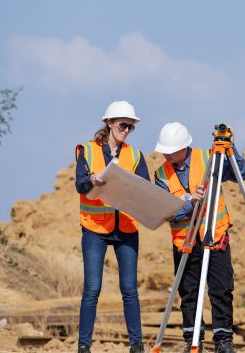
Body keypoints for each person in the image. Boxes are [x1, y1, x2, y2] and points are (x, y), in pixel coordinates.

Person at [153, 122, 245, 353]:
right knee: (189, 293)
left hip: (214, 234)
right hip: (184, 241)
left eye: (170, 149)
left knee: (221, 289)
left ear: (184, 146)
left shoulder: (208, 158)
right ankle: (192, 340)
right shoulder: (161, 174)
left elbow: (239, 175)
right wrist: (190, 202)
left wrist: (230, 149)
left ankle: (223, 340)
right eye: (164, 150)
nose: (166, 154)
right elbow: (166, 213)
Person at [75, 101, 148, 353]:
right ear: (109, 123)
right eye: (122, 125)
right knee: (92, 290)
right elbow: (80, 184)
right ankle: (84, 346)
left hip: (126, 229)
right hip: (95, 228)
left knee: (129, 290)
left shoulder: (135, 155)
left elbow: (145, 189)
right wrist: (93, 179)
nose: (126, 130)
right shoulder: (87, 150)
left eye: (130, 127)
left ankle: (136, 345)